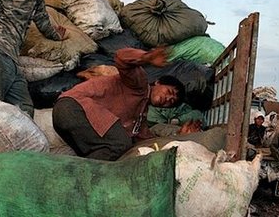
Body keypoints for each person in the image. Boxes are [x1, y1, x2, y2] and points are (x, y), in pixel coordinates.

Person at [52, 47, 191, 161]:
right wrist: (146, 57)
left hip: (66, 121)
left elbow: (148, 143)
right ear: (158, 82)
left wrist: (179, 136)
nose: (168, 98)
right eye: (169, 91)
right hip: (73, 106)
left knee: (106, 155)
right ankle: (76, 179)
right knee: (120, 144)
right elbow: (121, 57)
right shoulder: (139, 83)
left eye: (171, 101)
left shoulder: (140, 119)